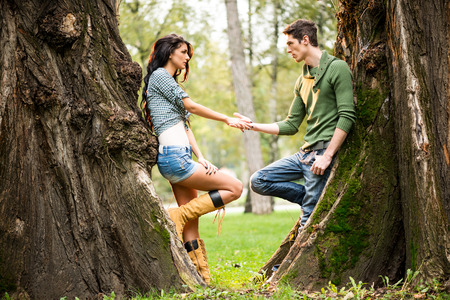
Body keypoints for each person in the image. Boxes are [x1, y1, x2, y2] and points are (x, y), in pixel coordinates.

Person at [141, 34, 250, 284]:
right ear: (170, 53)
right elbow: (192, 107)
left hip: (180, 157)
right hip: (174, 159)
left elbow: (185, 125)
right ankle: (175, 216)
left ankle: (202, 277)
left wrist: (201, 157)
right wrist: (225, 118)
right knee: (235, 188)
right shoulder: (160, 77)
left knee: (192, 221)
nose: (188, 58)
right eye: (183, 52)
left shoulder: (167, 82)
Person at [236, 19, 356, 230]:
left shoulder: (337, 68)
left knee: (307, 223)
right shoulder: (302, 80)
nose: (288, 50)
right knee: (258, 180)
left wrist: (327, 156)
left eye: (291, 44)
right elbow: (291, 124)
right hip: (303, 154)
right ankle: (313, 197)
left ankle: (312, 203)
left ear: (305, 40)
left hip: (321, 155)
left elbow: (347, 115)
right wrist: (252, 126)